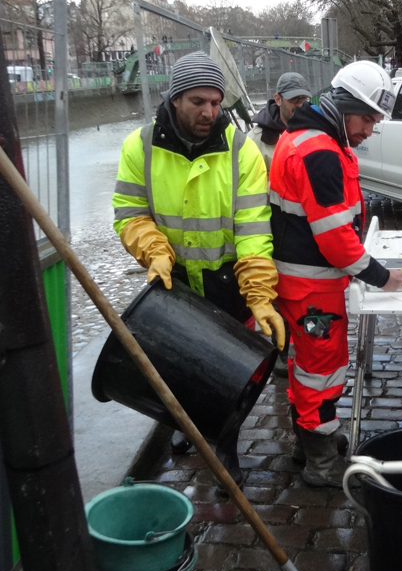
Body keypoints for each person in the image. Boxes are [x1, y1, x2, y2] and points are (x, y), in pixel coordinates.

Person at [112, 51, 285, 487]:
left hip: (224, 281)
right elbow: (130, 213)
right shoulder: (140, 147)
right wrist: (154, 252)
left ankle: (225, 445)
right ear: (174, 100)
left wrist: (260, 295)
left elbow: (252, 227)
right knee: (176, 365)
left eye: (215, 101)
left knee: (226, 377)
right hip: (170, 281)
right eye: (198, 102)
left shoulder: (241, 151)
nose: (210, 111)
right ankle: (186, 428)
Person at [270, 60, 402, 487]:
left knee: (307, 367)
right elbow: (334, 238)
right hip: (312, 285)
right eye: (367, 118)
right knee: (321, 370)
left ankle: (311, 443)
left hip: (304, 282)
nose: (370, 130)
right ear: (346, 105)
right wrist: (384, 277)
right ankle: (321, 463)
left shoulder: (312, 138)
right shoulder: (320, 150)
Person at [252, 71, 312, 167]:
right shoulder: (256, 140)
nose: (300, 104)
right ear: (278, 100)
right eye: (294, 99)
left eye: (304, 99)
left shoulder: (317, 132)